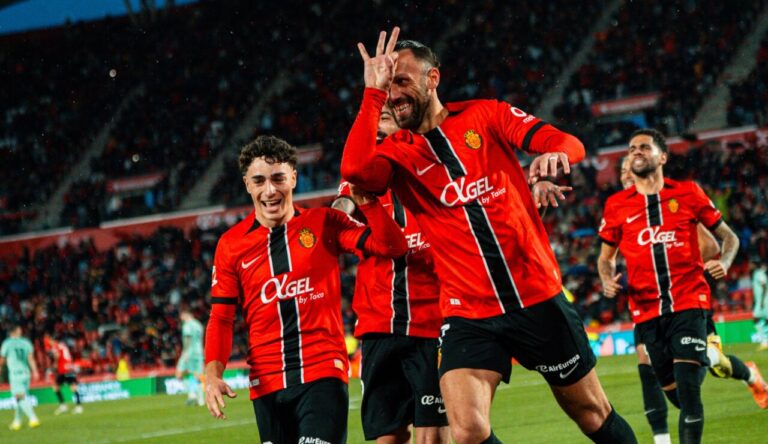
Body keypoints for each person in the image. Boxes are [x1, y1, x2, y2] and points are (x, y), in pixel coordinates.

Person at [341, 28, 636, 443]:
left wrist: (556, 154)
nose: (394, 94)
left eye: (402, 81)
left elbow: (567, 142)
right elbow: (355, 171)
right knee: (467, 431)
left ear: (432, 78)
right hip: (468, 312)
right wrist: (372, 92)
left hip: (536, 297)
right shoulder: (396, 153)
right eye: (388, 86)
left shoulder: (486, 115)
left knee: (592, 415)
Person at [204, 135, 407, 444]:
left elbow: (393, 247)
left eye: (278, 178)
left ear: (294, 178)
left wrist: (368, 203)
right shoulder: (231, 245)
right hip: (266, 384)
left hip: (322, 372)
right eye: (259, 181)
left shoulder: (325, 223)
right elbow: (221, 317)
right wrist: (212, 375)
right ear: (247, 184)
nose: (269, 191)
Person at [598, 128, 742, 444]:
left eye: (644, 147)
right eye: (631, 148)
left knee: (688, 395)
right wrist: (607, 279)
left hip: (688, 302)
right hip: (647, 313)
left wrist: (725, 262)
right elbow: (605, 258)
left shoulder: (688, 193)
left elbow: (729, 237)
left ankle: (704, 357)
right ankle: (710, 357)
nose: (636, 151)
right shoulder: (616, 206)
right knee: (677, 395)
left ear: (662, 157)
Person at [615, 156, 768, 444]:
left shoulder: (670, 204)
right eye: (622, 172)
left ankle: (748, 374)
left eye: (629, 171)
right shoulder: (623, 210)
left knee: (706, 367)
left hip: (685, 301)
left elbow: (710, 246)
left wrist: (677, 267)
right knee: (656, 375)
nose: (626, 177)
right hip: (648, 304)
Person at [332, 106, 449, 444]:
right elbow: (340, 210)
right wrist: (337, 217)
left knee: (432, 437)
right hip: (378, 327)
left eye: (384, 116)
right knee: (387, 437)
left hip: (431, 324)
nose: (377, 125)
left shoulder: (436, 169)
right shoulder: (361, 178)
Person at [0, 325, 40, 430]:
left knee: (19, 396)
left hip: (15, 373)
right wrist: (35, 371)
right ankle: (17, 422)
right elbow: (31, 358)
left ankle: (33, 418)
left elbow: (2, 359)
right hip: (26, 373)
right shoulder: (26, 342)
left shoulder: (7, 343)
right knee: (21, 398)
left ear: (10, 332)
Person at [176, 309, 205, 406]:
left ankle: (192, 394)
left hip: (190, 352)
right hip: (199, 352)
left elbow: (187, 338)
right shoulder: (198, 324)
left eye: (181, 316)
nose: (181, 319)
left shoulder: (187, 325)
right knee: (198, 375)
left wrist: (185, 352)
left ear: (185, 315)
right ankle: (200, 399)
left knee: (179, 374)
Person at [48, 336, 83, 415]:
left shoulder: (56, 346)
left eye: (49, 340)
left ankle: (66, 406)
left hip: (63, 369)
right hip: (69, 367)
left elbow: (57, 355)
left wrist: (55, 365)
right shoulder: (63, 345)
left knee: (57, 387)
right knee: (69, 387)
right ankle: (76, 406)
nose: (49, 342)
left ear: (52, 340)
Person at [754, 261, 768, 350]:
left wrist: (762, 301)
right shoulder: (758, 273)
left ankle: (764, 341)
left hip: (763, 302)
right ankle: (765, 341)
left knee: (756, 319)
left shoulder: (759, 273)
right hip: (761, 301)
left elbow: (764, 285)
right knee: (763, 320)